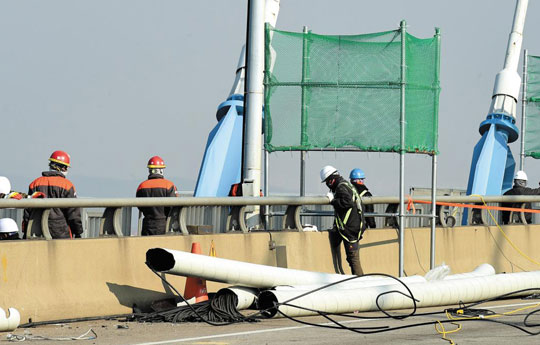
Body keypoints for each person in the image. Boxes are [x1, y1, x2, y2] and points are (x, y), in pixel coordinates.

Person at [23, 151, 83, 239]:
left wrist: (26, 231)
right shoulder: (67, 185)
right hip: (60, 232)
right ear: (63, 168)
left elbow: (28, 210)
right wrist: (78, 232)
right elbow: (73, 213)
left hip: (36, 232)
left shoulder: (35, 183)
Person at [321, 165, 365, 275]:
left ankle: (361, 282)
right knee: (351, 258)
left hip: (351, 229)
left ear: (331, 180)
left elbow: (347, 203)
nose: (327, 185)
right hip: (354, 226)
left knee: (353, 258)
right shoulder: (346, 184)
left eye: (327, 182)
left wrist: (333, 201)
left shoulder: (341, 187)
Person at [136, 156, 178, 235]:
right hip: (164, 225)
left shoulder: (142, 186)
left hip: (147, 225)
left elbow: (139, 206)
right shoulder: (169, 185)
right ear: (161, 170)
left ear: (149, 170)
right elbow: (173, 206)